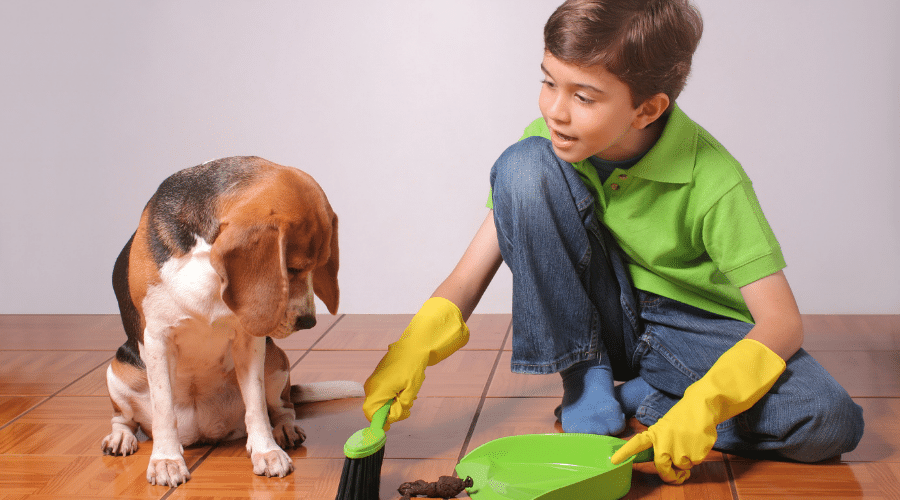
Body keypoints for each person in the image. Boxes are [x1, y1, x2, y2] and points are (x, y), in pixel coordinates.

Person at [363, 0, 864, 484]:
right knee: (523, 165)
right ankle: (585, 380)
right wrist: (414, 347)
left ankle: (648, 399)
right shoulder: (545, 148)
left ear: (647, 109)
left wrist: (705, 405)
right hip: (599, 322)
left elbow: (781, 321)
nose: (556, 111)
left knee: (830, 421)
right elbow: (470, 273)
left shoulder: (715, 179)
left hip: (690, 330)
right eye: (548, 81)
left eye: (583, 96)